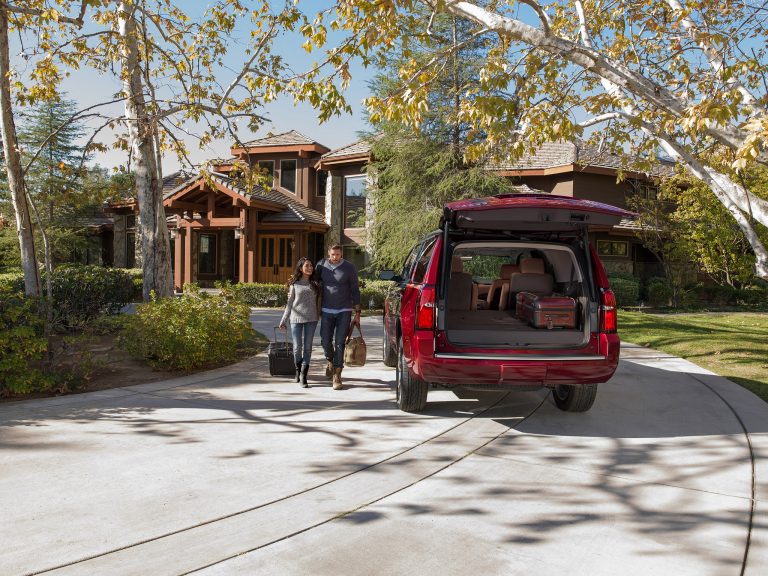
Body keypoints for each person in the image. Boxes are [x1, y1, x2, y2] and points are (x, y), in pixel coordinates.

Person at [316, 245, 361, 390]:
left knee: (340, 343)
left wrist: (358, 312)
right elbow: (313, 283)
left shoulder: (349, 267)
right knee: (325, 340)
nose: (335, 257)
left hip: (344, 310)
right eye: (333, 254)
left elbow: (355, 289)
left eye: (338, 255)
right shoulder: (321, 265)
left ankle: (337, 375)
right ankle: (330, 360)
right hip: (326, 310)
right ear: (328, 253)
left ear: (341, 254)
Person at [279, 257, 321, 388]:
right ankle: (297, 371)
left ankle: (304, 375)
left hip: (312, 319)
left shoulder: (316, 283)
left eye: (311, 266)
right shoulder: (294, 284)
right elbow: (290, 303)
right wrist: (283, 320)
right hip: (296, 319)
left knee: (308, 348)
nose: (310, 268)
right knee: (297, 348)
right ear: (300, 268)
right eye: (307, 266)